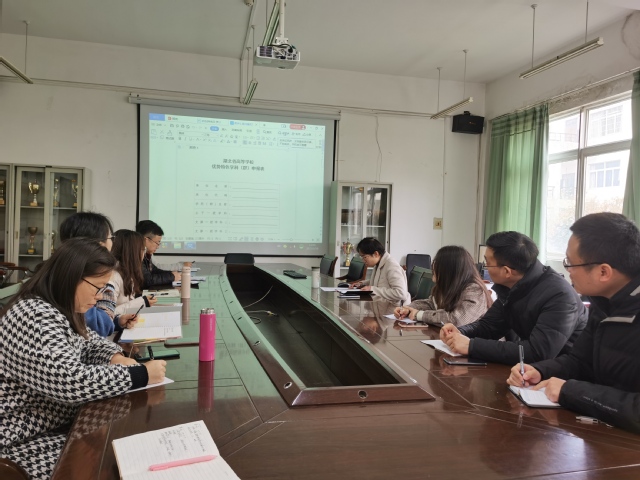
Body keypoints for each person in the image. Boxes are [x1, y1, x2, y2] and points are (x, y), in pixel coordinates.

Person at [0, 238, 166, 479]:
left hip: (55, 424)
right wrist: (141, 374)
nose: (99, 297)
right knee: (117, 463)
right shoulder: (33, 315)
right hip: (23, 441)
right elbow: (70, 381)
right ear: (71, 277)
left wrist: (114, 356)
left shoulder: (60, 307)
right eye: (97, 287)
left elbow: (89, 342)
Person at [507, 213, 640, 433]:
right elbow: (580, 362)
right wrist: (540, 371)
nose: (567, 271)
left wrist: (570, 391)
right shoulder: (604, 303)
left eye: (570, 263)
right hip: (604, 433)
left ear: (603, 272)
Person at [440, 231, 588, 365]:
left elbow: (538, 352)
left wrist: (471, 346)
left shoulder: (559, 296)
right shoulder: (512, 286)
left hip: (565, 374)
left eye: (487, 263)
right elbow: (489, 326)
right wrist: (460, 332)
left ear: (506, 272)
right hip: (532, 371)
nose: (485, 267)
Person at [59, 211, 137, 335]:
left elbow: (88, 329)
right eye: (111, 238)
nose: (113, 243)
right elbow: (100, 327)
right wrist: (107, 286)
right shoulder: (80, 284)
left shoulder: (62, 271)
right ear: (99, 245)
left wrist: (117, 322)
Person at [394, 245, 492, 326]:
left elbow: (456, 320)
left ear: (450, 269)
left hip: (475, 342)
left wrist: (419, 315)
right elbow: (431, 304)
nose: (433, 267)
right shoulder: (447, 286)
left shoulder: (475, 290)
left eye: (437, 263)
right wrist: (407, 309)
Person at [97, 229, 157, 318]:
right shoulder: (113, 276)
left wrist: (142, 302)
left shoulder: (126, 272)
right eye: (142, 249)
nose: (143, 254)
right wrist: (142, 302)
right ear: (132, 252)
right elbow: (108, 313)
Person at [352, 237, 410, 305]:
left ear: (376, 254)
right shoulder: (378, 263)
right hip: (381, 304)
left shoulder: (392, 266)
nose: (363, 260)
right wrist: (362, 283)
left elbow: (401, 293)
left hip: (394, 308)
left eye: (364, 257)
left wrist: (372, 289)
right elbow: (380, 281)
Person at [136, 220, 183, 288]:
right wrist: (172, 276)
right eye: (157, 243)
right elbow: (147, 280)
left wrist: (172, 274)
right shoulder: (136, 255)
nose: (158, 247)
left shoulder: (146, 255)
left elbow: (154, 271)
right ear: (146, 240)